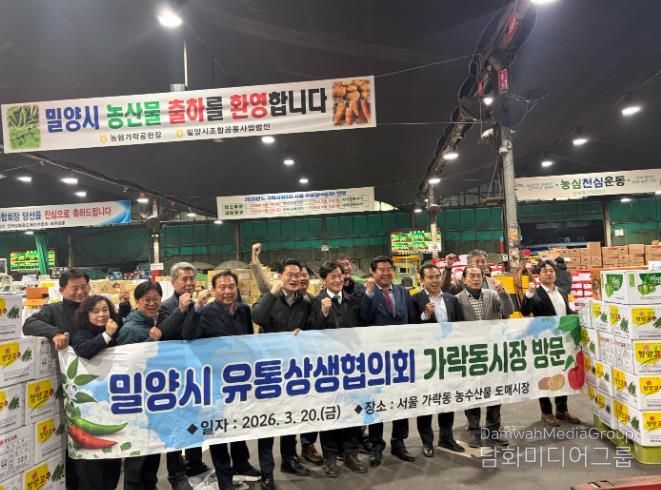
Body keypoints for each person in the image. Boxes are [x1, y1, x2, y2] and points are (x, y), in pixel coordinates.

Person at [23, 268, 130, 490]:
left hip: (106, 393)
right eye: (75, 288)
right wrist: (54, 333)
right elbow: (29, 324)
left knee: (109, 449)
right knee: (81, 455)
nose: (81, 292)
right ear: (62, 289)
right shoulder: (54, 310)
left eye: (84, 287)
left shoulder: (96, 308)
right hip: (74, 394)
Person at [182, 271, 262, 490]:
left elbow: (247, 339)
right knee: (218, 429)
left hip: (239, 380)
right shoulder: (205, 312)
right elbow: (188, 336)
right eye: (222, 287)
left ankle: (242, 463)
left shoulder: (243, 310)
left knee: (238, 422)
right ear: (214, 290)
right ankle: (224, 476)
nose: (227, 291)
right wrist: (196, 308)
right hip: (215, 380)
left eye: (231, 286)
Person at [252, 258, 312, 487]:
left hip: (293, 370)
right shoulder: (270, 297)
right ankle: (267, 472)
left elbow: (312, 327)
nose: (295, 279)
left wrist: (304, 333)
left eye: (298, 274)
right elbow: (258, 318)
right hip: (269, 371)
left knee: (290, 417)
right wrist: (271, 294)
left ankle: (289, 459)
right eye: (290, 274)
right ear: (280, 276)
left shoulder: (305, 302)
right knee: (267, 423)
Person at [308, 261, 368, 478]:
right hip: (328, 370)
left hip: (351, 367)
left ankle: (351, 454)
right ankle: (330, 457)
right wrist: (323, 313)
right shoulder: (315, 302)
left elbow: (363, 328)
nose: (337, 280)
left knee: (352, 411)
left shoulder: (353, 301)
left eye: (340, 275)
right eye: (332, 276)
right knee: (330, 413)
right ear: (324, 280)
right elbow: (310, 333)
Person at [157, 262, 212, 487]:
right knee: (176, 425)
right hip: (174, 377)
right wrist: (182, 310)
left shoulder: (202, 304)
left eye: (192, 278)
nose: (189, 283)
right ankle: (176, 473)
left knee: (194, 421)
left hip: (197, 375)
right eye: (184, 279)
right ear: (173, 282)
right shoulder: (165, 307)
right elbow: (165, 334)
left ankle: (194, 462)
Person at [360, 255, 415, 466]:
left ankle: (399, 442)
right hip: (376, 360)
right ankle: (376, 445)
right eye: (381, 270)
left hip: (401, 358)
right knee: (377, 402)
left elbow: (410, 320)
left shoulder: (402, 292)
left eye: (388, 269)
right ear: (373, 272)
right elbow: (364, 318)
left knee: (401, 400)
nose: (386, 273)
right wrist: (368, 294)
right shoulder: (367, 293)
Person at [410, 264, 465, 456]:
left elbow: (460, 325)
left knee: (447, 399)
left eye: (437, 276)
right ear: (422, 280)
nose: (434, 280)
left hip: (448, 358)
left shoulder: (451, 299)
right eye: (430, 277)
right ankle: (427, 442)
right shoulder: (415, 299)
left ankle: (446, 437)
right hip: (425, 360)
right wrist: (425, 315)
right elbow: (409, 328)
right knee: (426, 401)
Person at [455, 265, 512, 448]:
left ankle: (494, 429)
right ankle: (474, 430)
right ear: (464, 280)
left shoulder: (492, 295)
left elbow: (508, 311)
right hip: (470, 354)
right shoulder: (457, 300)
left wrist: (503, 293)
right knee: (471, 391)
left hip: (492, 352)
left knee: (494, 390)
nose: (475, 279)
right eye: (471, 276)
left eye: (478, 275)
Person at [70, 295, 123, 490]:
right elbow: (85, 350)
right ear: (87, 314)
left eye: (105, 310)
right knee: (90, 463)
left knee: (113, 456)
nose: (101, 314)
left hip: (114, 404)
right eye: (95, 311)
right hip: (89, 409)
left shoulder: (117, 330)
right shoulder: (81, 334)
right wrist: (107, 335)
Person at [116, 282, 165, 490]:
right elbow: (124, 364)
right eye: (147, 300)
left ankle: (150, 485)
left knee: (153, 448)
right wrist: (150, 341)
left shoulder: (157, 322)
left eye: (156, 299)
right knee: (137, 452)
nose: (152, 304)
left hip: (155, 395)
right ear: (137, 302)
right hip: (137, 399)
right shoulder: (130, 328)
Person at [521, 259, 581, 426]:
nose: (549, 273)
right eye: (545, 271)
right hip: (544, 343)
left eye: (551, 271)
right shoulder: (535, 293)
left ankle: (562, 410)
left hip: (562, 341)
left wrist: (580, 317)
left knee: (562, 373)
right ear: (539, 275)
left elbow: (567, 312)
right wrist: (528, 295)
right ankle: (546, 412)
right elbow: (524, 311)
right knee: (544, 375)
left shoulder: (561, 292)